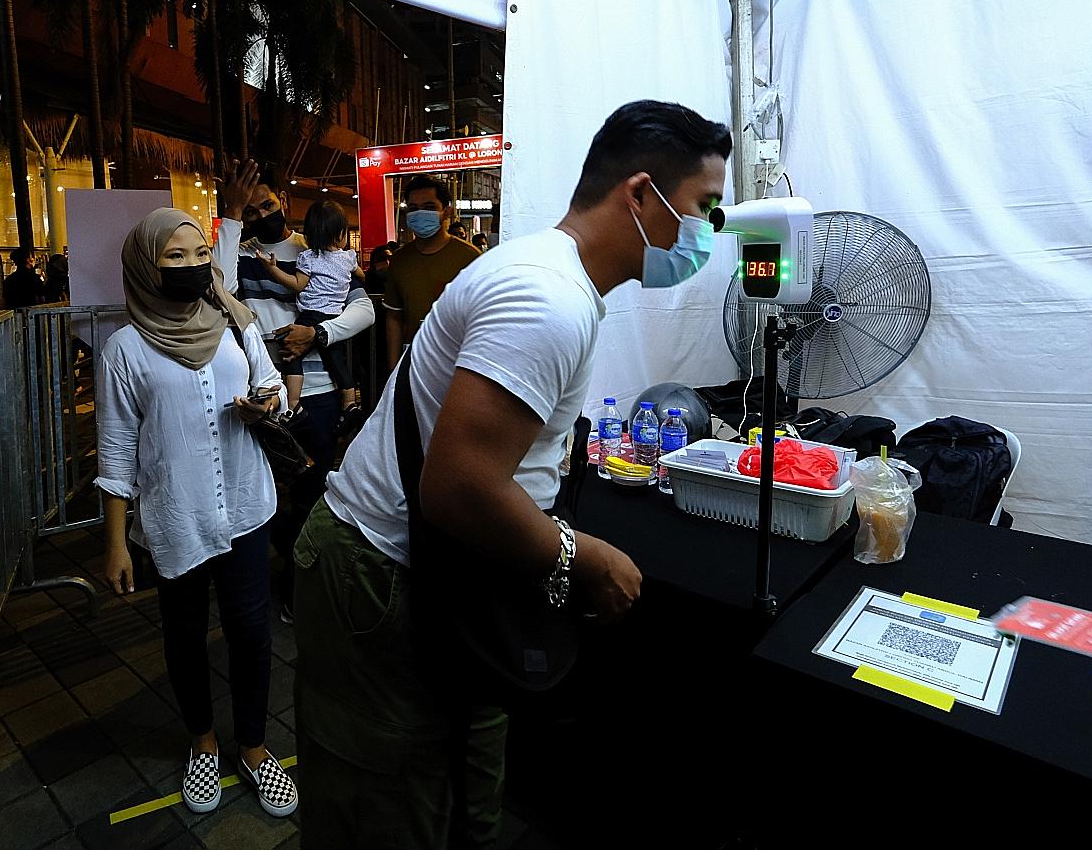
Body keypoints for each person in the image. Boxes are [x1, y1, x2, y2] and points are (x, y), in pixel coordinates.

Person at [294, 100, 730, 848]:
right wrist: (582, 556)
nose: (707, 235)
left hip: (445, 579)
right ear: (638, 194)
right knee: (390, 815)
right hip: (384, 579)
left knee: (464, 802)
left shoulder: (551, 278)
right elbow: (458, 487)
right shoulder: (548, 301)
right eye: (703, 209)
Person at [97, 207, 297, 819]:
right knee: (184, 637)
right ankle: (203, 743)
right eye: (174, 256)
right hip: (174, 514)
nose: (191, 266)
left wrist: (268, 405)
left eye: (198, 254)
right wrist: (115, 543)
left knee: (252, 634)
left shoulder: (238, 323)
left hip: (244, 508)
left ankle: (256, 748)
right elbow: (117, 447)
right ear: (146, 265)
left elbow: (276, 390)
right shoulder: (124, 349)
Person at [215, 161, 376, 622]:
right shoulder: (239, 254)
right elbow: (220, 290)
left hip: (318, 392)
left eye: (267, 205)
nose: (262, 214)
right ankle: (278, 569)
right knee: (262, 491)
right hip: (263, 392)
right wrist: (229, 216)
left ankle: (298, 585)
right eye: (251, 210)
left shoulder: (314, 250)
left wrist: (318, 335)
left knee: (311, 489)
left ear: (282, 203)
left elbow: (363, 309)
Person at [258, 199, 362, 418]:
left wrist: (273, 270)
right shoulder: (349, 258)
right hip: (334, 318)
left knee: (289, 351)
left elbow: (297, 284)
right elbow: (361, 276)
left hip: (312, 314)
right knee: (336, 360)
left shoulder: (309, 258)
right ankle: (350, 402)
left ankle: (293, 403)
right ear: (341, 233)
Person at [383, 175, 479, 369]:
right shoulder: (399, 260)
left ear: (446, 212)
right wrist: (394, 370)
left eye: (429, 207)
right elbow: (394, 317)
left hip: (458, 357)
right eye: (413, 209)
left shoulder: (470, 257)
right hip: (412, 356)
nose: (420, 214)